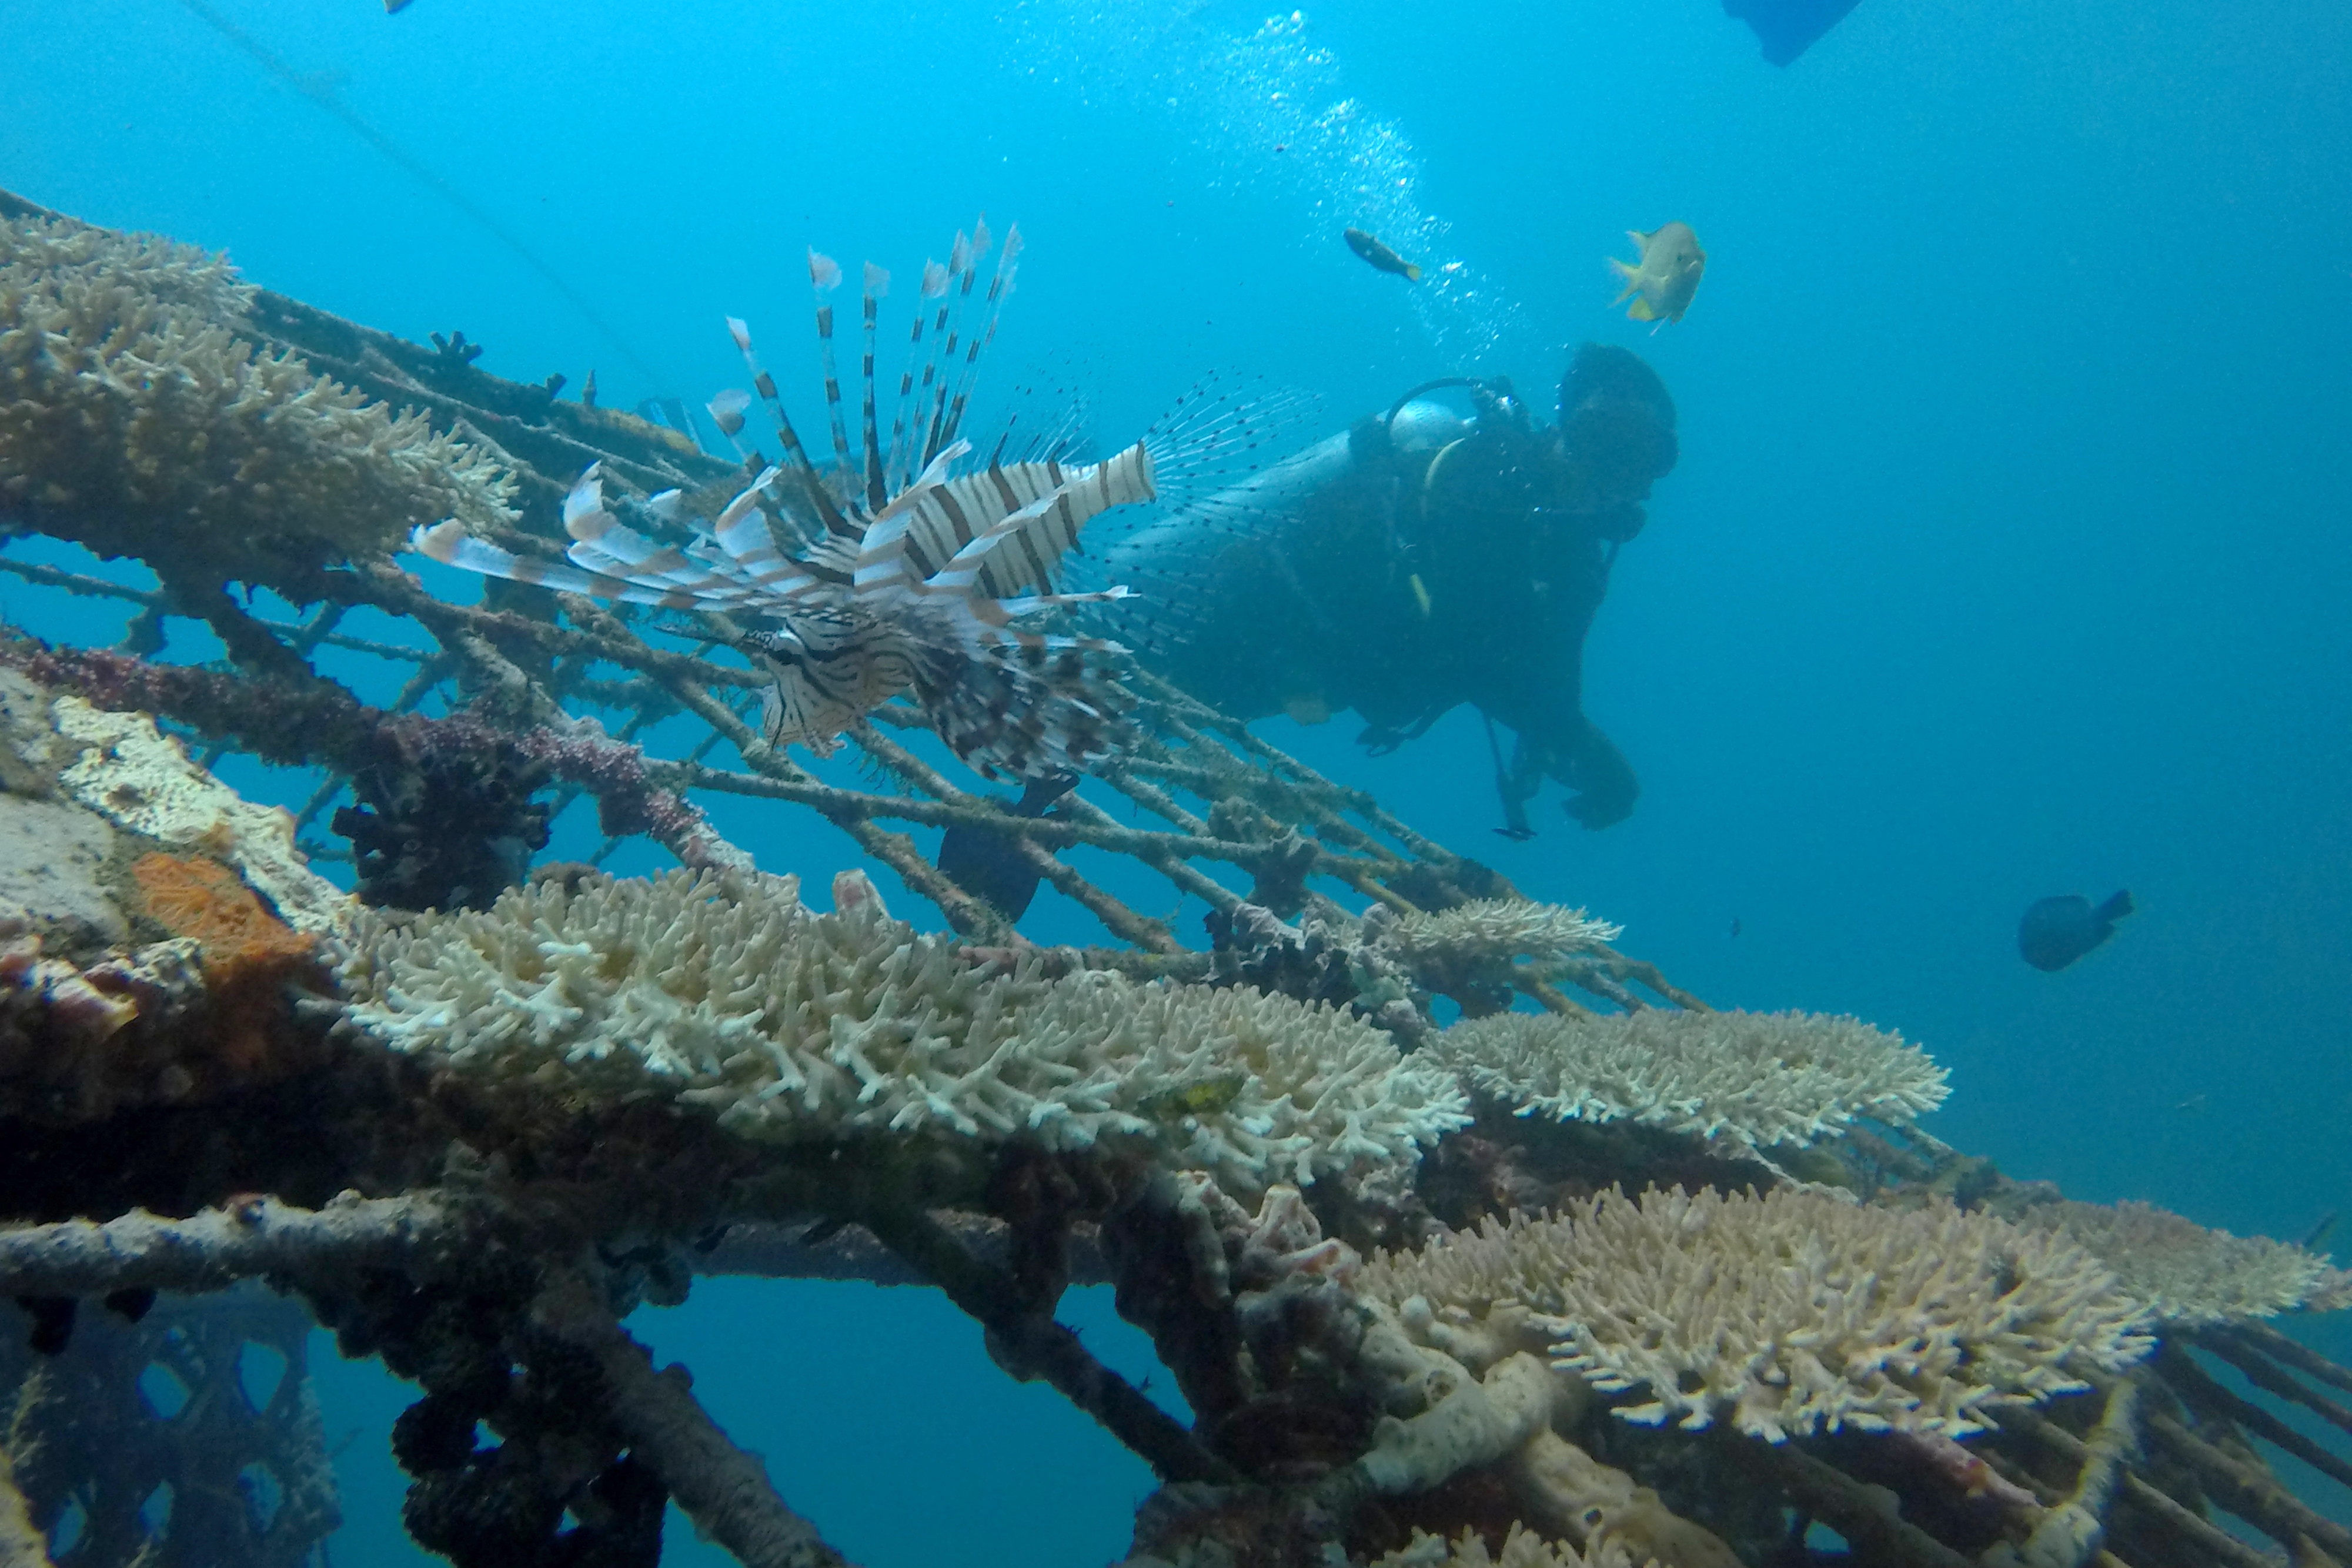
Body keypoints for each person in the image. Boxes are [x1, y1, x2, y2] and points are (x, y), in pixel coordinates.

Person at [1094, 343, 1678, 834]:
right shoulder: (1485, 477)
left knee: (1113, 721)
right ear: (1565, 427)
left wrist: (1569, 742)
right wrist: (1573, 741)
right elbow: (1472, 646)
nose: (1612, 471)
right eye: (1601, 437)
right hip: (1260, 620)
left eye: (1641, 457)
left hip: (1321, 673)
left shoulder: (1574, 562)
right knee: (1113, 692)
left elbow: (1547, 684)